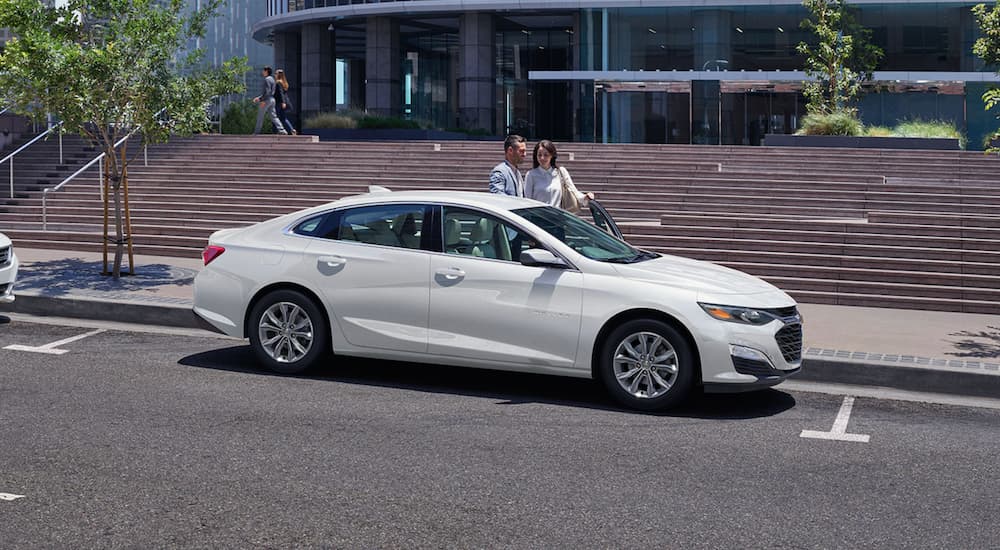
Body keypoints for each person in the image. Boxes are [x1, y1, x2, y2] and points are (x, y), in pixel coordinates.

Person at [524, 139, 594, 212]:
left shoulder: (561, 172)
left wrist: (585, 197)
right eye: (539, 155)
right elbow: (527, 200)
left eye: (546, 155)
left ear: (552, 156)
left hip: (558, 218)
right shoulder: (531, 175)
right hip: (539, 218)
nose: (542, 158)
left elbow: (574, 191)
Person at [252, 66, 288, 135]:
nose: (262, 72)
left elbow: (267, 92)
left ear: (266, 71)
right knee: (274, 116)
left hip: (266, 100)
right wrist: (259, 98)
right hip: (272, 100)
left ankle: (256, 132)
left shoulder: (267, 79)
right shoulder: (273, 79)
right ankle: (282, 130)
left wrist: (261, 99)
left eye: (263, 71)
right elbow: (270, 92)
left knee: (260, 116)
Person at [274, 69, 298, 135]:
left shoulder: (278, 82)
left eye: (276, 73)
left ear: (279, 75)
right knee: (283, 118)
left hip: (279, 103)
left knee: (277, 118)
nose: (274, 75)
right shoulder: (283, 82)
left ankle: (280, 131)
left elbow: (281, 93)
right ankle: (292, 130)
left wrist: (283, 102)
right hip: (282, 102)